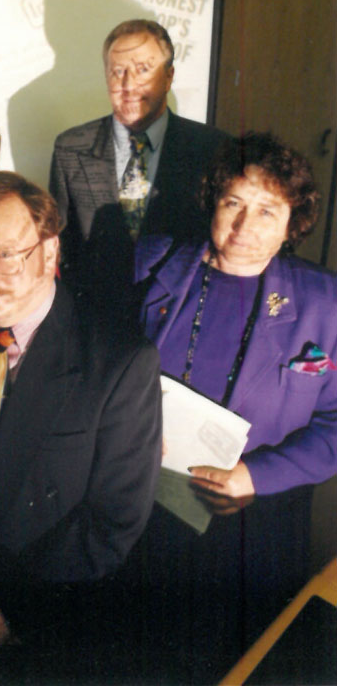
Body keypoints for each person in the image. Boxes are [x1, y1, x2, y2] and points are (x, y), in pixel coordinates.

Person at [0, 171, 162, 682]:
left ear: (49, 254)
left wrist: (11, 607)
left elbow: (113, 524)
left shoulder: (120, 361)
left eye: (8, 254)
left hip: (52, 622)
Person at [131, 131, 337, 684]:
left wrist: (258, 475)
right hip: (147, 511)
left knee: (233, 661)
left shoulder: (325, 303)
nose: (246, 229)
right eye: (233, 204)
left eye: (268, 211)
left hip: (257, 530)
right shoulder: (152, 267)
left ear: (294, 222)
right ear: (213, 204)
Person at [49, 18, 228, 291]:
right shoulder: (70, 149)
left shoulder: (213, 149)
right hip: (97, 319)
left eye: (143, 70)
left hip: (178, 315)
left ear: (168, 77)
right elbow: (59, 247)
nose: (129, 85)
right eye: (117, 71)